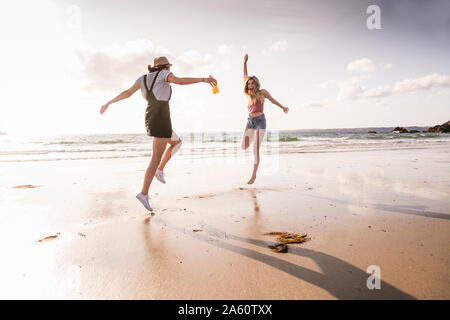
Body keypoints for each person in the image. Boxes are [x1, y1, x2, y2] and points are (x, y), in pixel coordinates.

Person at [100, 56, 217, 211]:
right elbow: (180, 81)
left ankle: (160, 170)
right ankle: (144, 193)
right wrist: (204, 79)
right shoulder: (163, 74)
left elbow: (127, 93)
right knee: (155, 158)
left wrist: (109, 102)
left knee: (176, 142)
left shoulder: (142, 78)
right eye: (168, 68)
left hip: (152, 115)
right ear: (165, 67)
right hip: (161, 117)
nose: (169, 70)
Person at [241, 53, 289, 184]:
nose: (250, 85)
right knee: (243, 146)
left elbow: (273, 101)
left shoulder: (263, 93)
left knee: (255, 150)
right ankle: (254, 141)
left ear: (256, 84)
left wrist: (283, 107)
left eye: (252, 83)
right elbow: (244, 76)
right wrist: (245, 62)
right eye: (248, 83)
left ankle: (253, 175)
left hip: (260, 121)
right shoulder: (248, 94)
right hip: (250, 121)